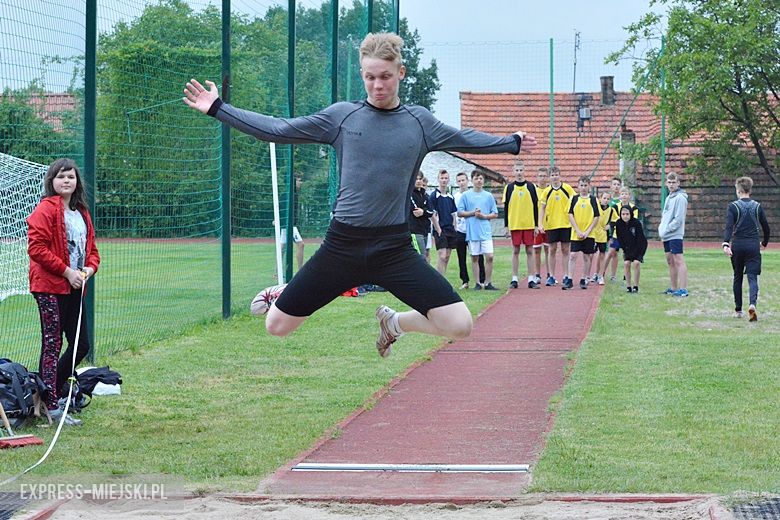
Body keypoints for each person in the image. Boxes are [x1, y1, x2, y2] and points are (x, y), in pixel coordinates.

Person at [183, 32, 536, 357]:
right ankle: (284, 292)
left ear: (401, 73)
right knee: (276, 326)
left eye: (385, 76)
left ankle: (394, 323)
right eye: (370, 77)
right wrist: (218, 108)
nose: (377, 85)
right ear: (362, 75)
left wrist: (512, 143)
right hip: (342, 247)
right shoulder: (342, 117)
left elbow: (465, 138)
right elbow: (278, 130)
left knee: (460, 325)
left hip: (393, 250)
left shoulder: (420, 123)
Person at [27, 158, 100, 426]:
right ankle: (52, 406)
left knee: (82, 344)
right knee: (52, 344)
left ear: (77, 181)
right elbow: (36, 248)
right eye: (60, 176)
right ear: (52, 181)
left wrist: (88, 270)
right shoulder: (45, 209)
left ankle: (48, 391)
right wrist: (67, 272)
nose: (66, 180)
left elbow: (92, 251)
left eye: (70, 176)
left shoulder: (81, 212)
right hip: (50, 287)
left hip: (75, 287)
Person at [722, 176, 770, 321]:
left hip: (738, 245)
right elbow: (766, 227)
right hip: (753, 246)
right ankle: (752, 304)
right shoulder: (757, 206)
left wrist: (726, 243)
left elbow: (729, 227)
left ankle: (738, 310)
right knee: (752, 277)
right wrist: (764, 243)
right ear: (750, 190)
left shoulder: (733, 207)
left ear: (738, 190)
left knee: (738, 277)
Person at [457, 171, 499, 290]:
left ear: (483, 180)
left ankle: (488, 282)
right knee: (475, 257)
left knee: (489, 256)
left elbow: (495, 213)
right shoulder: (466, 196)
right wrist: (473, 213)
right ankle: (477, 283)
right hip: (472, 231)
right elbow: (460, 212)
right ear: (472, 180)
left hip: (485, 231)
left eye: (480, 178)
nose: (479, 181)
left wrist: (484, 216)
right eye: (476, 178)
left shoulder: (488, 196)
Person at [502, 160, 540, 289]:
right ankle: (514, 279)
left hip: (529, 224)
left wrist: (536, 225)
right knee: (515, 250)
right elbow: (506, 208)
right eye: (517, 170)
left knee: (530, 250)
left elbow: (535, 206)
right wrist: (506, 226)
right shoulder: (509, 188)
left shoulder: (531, 187)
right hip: (515, 224)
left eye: (521, 170)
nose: (519, 173)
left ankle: (531, 278)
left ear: (524, 171)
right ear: (513, 171)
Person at [538, 166, 575, 286]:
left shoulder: (567, 188)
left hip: (566, 224)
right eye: (552, 175)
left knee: (565, 250)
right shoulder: (546, 191)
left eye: (556, 175)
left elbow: (575, 202)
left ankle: (566, 275)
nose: (555, 177)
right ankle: (551, 276)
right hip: (551, 225)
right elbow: (542, 208)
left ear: (560, 175)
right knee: (552, 250)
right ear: (549, 177)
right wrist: (540, 223)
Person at [564, 176, 600, 290]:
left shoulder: (593, 200)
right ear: (578, 186)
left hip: (589, 234)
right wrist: (578, 230)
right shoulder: (574, 199)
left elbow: (596, 216)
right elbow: (570, 215)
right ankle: (569, 279)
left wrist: (588, 231)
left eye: (585, 185)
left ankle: (584, 278)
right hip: (576, 233)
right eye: (581, 185)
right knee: (573, 255)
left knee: (586, 256)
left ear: (589, 186)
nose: (583, 188)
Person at [658, 172, 689, 297]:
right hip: (666, 235)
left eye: (673, 182)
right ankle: (673, 287)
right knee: (670, 260)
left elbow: (678, 219)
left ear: (678, 183)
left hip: (675, 234)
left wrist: (667, 229)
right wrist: (662, 228)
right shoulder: (668, 198)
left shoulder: (680, 198)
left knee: (678, 259)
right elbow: (665, 216)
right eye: (669, 182)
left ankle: (683, 289)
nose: (671, 185)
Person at [453, 171, 485, 289]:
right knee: (461, 257)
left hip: (473, 230)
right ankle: (465, 281)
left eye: (463, 180)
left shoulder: (473, 194)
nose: (461, 183)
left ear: (467, 181)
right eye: (459, 181)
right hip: (460, 230)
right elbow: (454, 213)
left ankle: (481, 280)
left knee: (478, 255)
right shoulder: (455, 197)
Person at [602, 186, 638, 283]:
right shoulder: (615, 207)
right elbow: (612, 220)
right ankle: (601, 274)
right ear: (620, 195)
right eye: (622, 194)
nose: (624, 195)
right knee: (611, 252)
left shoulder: (634, 208)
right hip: (616, 234)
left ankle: (625, 276)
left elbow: (634, 221)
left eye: (626, 194)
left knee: (627, 255)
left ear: (629, 195)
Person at [428, 169, 459, 276]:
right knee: (442, 255)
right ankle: (438, 280)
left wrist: (455, 228)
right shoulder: (434, 196)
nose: (444, 180)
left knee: (447, 256)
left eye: (446, 178)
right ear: (438, 179)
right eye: (442, 178)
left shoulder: (450, 197)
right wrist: (438, 229)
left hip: (450, 229)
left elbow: (453, 214)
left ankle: (443, 278)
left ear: (448, 180)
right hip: (440, 229)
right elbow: (433, 214)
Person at [615, 205, 647, 293]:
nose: (625, 216)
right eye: (623, 214)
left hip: (639, 247)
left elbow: (641, 239)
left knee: (636, 263)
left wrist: (638, 253)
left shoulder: (636, 223)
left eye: (627, 214)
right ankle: (628, 286)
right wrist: (624, 248)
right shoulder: (618, 223)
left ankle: (635, 286)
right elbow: (619, 237)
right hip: (627, 247)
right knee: (626, 264)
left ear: (631, 214)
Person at [533, 166, 551, 285]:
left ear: (547, 177)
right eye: (540, 176)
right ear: (537, 177)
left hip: (549, 225)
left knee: (548, 250)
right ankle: (537, 274)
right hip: (537, 225)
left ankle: (550, 274)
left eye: (544, 176)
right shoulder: (533, 190)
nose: (542, 178)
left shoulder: (550, 190)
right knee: (536, 250)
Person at [410, 171, 434, 261]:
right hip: (415, 231)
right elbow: (416, 211)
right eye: (416, 179)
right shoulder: (410, 194)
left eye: (420, 179)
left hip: (425, 230)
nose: (418, 181)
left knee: (425, 255)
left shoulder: (424, 195)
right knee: (421, 258)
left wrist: (423, 211)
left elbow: (431, 212)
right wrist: (425, 211)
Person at [591, 191, 614, 286]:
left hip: (603, 236)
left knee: (602, 254)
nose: (606, 200)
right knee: (590, 255)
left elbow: (615, 220)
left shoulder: (611, 210)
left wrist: (610, 225)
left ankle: (601, 275)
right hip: (593, 234)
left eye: (608, 199)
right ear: (600, 199)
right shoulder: (595, 207)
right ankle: (591, 275)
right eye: (604, 198)